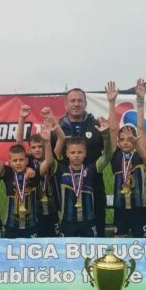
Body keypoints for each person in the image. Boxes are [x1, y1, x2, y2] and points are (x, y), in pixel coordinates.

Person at [44, 117, 112, 237]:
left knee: (90, 249)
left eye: (79, 152)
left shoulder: (92, 169)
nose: (76, 155)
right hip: (67, 222)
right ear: (67, 154)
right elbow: (49, 161)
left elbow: (107, 156)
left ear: (85, 153)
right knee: (67, 250)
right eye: (73, 152)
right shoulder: (60, 169)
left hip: (89, 222)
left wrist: (106, 136)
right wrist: (46, 142)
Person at [55, 88, 107, 236]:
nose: (76, 104)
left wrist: (108, 134)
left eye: (80, 100)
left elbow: (109, 152)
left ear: (85, 103)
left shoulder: (96, 125)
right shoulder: (57, 128)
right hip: (66, 189)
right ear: (66, 104)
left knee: (97, 235)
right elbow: (49, 156)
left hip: (94, 187)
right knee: (67, 236)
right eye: (72, 100)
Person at [105, 79, 146, 237]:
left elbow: (140, 127)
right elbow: (112, 129)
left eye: (130, 139)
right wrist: (112, 102)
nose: (126, 142)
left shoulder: (140, 154)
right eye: (122, 139)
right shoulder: (115, 155)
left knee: (142, 244)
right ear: (118, 142)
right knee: (119, 243)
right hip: (120, 209)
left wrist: (140, 100)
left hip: (138, 209)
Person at [0, 123, 51, 238]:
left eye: (21, 160)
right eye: (15, 160)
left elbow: (48, 161)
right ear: (10, 162)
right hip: (11, 226)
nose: (18, 163)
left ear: (27, 161)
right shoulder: (7, 174)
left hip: (32, 226)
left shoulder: (34, 174)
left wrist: (47, 142)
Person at [16, 106, 65, 237]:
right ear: (29, 149)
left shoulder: (51, 157)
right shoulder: (27, 161)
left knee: (54, 240)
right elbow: (19, 142)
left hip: (52, 207)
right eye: (33, 147)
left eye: (40, 146)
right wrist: (22, 118)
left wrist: (52, 119)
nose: (37, 149)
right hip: (35, 209)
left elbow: (61, 138)